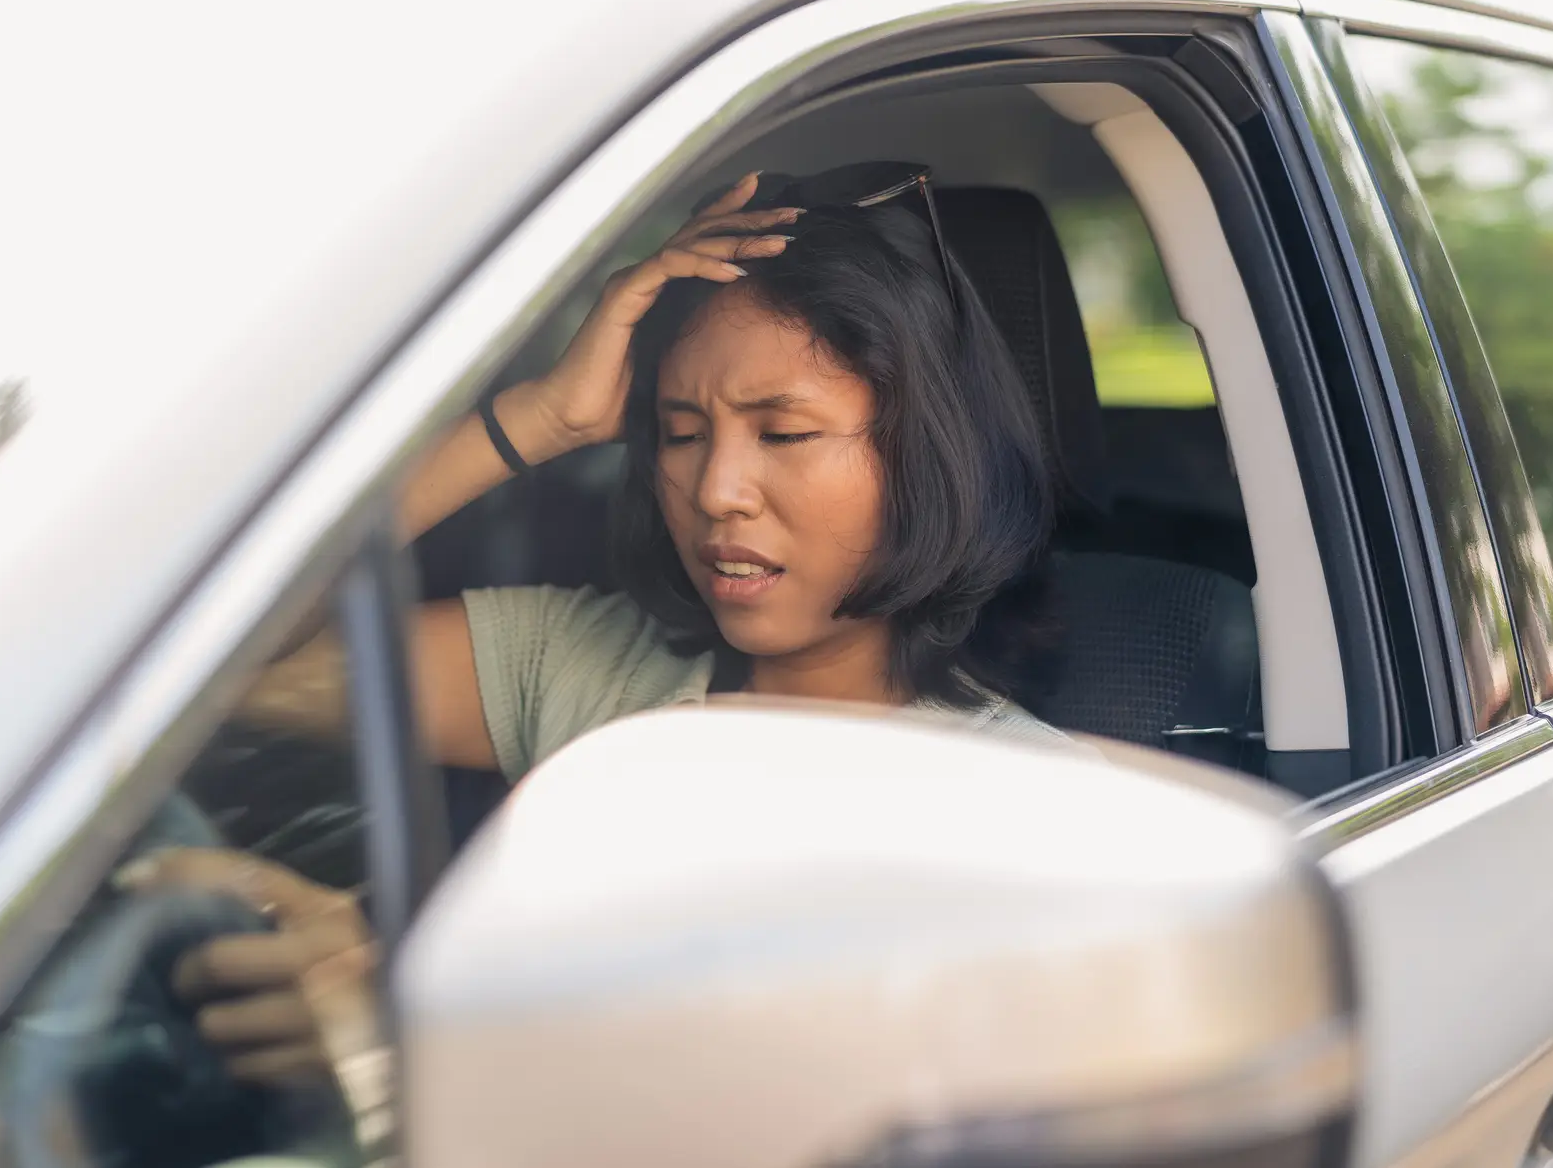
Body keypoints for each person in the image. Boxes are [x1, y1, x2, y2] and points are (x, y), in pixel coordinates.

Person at [123, 163, 1078, 1087]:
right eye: (679, 431)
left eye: (782, 433)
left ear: (925, 453)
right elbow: (194, 656)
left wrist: (402, 1042)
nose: (715, 491)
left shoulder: (1028, 815)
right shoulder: (583, 664)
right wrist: (535, 421)